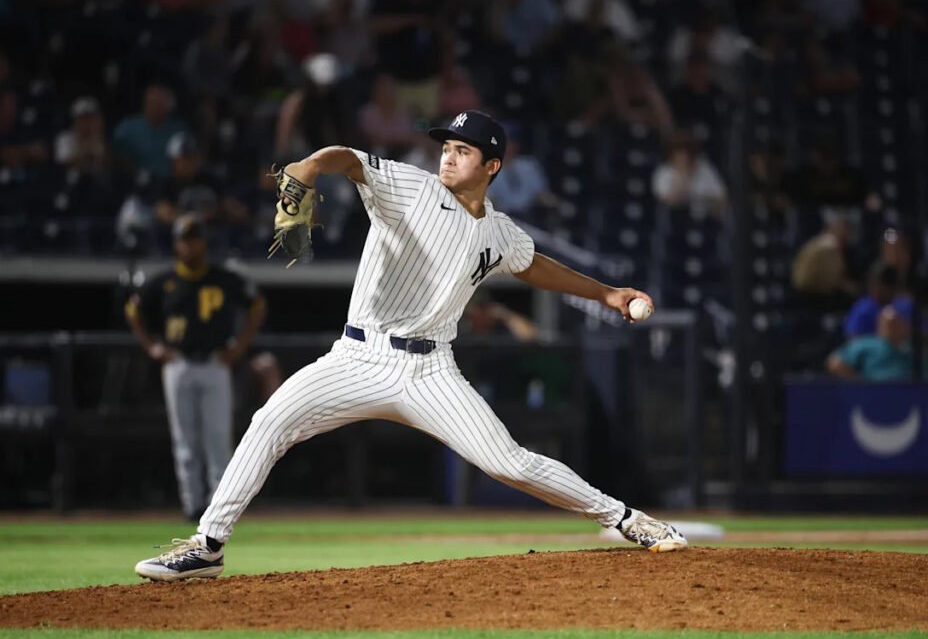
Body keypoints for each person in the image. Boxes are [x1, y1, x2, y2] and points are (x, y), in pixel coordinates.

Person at [134, 109, 687, 581]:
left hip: (430, 372)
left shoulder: (499, 230)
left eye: (462, 150)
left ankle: (622, 518)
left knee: (509, 461)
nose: (447, 157)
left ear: (491, 166)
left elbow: (533, 265)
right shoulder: (411, 186)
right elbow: (345, 158)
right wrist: (307, 167)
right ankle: (207, 545)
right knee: (270, 421)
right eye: (446, 146)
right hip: (358, 355)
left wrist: (609, 294)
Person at [126, 214, 268, 521]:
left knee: (218, 438)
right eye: (184, 239)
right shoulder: (164, 281)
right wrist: (152, 346)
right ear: (176, 243)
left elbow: (256, 305)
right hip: (179, 362)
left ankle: (222, 509)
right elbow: (133, 309)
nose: (189, 245)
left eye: (194, 238)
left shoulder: (222, 277)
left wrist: (239, 346)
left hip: (214, 362)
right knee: (186, 441)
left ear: (203, 241)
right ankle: (193, 507)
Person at [826, 305, 923, 381]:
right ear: (880, 323)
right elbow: (835, 363)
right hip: (871, 396)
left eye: (897, 323)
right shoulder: (865, 344)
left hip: (905, 396)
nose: (893, 327)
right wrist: (859, 382)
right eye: (889, 323)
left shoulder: (911, 349)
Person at [112, 84, 186, 177]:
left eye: (161, 103)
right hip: (136, 181)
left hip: (171, 182)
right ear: (145, 103)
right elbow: (117, 158)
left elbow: (188, 159)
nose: (157, 106)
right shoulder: (127, 128)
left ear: (169, 106)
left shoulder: (178, 129)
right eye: (153, 101)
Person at [651, 133, 727, 218]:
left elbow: (721, 200)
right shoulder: (664, 172)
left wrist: (702, 200)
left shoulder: (705, 169)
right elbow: (668, 200)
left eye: (687, 153)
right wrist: (684, 178)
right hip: (676, 220)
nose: (684, 158)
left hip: (705, 218)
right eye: (679, 154)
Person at [844, 261, 913, 338]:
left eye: (878, 285)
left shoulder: (904, 307)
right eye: (871, 284)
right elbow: (852, 337)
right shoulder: (864, 308)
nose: (873, 289)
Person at [54, 96, 109, 176]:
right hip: (72, 183)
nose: (87, 122)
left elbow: (109, 163)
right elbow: (64, 165)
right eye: (83, 118)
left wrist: (98, 137)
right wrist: (83, 143)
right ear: (75, 120)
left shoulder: (101, 136)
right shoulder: (64, 137)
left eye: (91, 117)